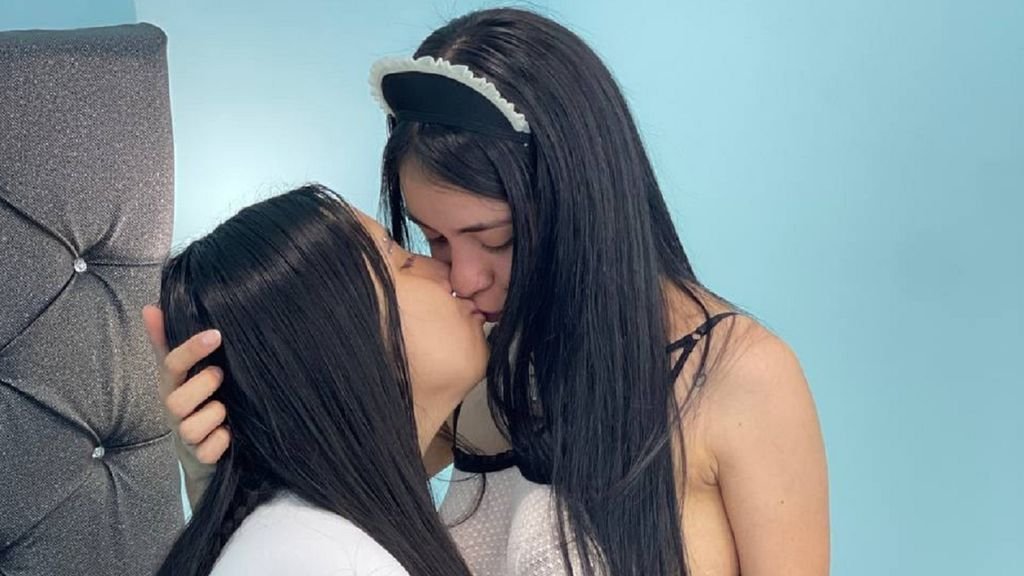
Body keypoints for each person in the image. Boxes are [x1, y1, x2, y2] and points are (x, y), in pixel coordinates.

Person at [153, 8, 829, 575]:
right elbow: (324, 501)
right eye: (434, 242)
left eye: (497, 239)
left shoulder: (740, 379)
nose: (463, 279)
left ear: (583, 206)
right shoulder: (474, 358)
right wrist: (217, 474)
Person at [147, 184, 485, 575]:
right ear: (334, 342)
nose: (450, 271)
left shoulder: (311, 540)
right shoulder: (321, 558)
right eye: (404, 262)